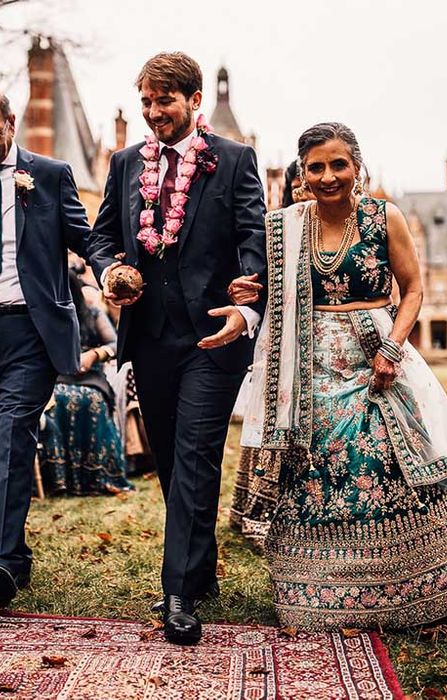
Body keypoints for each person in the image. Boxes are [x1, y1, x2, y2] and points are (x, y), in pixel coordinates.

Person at [230, 122, 447, 630]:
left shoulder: (383, 217)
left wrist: (393, 347)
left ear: (357, 166)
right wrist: (246, 291)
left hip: (375, 356)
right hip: (306, 366)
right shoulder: (283, 225)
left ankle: (424, 586)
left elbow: (413, 288)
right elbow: (268, 291)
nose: (328, 176)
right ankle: (317, 593)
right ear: (302, 174)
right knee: (310, 464)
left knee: (386, 457)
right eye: (316, 167)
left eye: (338, 165)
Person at [87, 52, 267, 646]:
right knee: (169, 457)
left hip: (213, 337)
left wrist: (246, 304)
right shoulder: (121, 164)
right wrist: (111, 266)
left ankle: (178, 593)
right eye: (146, 102)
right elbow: (102, 235)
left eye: (164, 100)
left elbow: (252, 238)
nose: (153, 112)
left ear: (193, 101)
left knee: (193, 453)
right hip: (151, 336)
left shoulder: (234, 160)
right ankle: (201, 560)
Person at [0, 94, 91, 606]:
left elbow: (86, 237)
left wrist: (118, 270)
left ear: (10, 123)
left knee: (11, 437)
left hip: (30, 330)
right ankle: (15, 557)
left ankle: (4, 561)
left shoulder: (48, 174)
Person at [37, 271, 132, 495]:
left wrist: (95, 355)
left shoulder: (91, 312)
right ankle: (59, 481)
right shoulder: (43, 315)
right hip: (55, 376)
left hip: (89, 377)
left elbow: (117, 343)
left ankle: (97, 476)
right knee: (56, 400)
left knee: (92, 400)